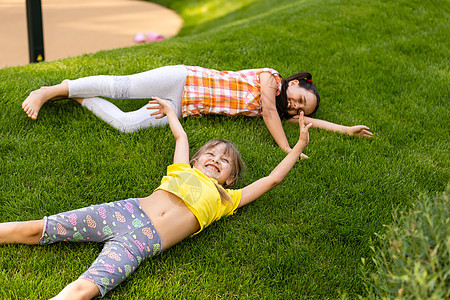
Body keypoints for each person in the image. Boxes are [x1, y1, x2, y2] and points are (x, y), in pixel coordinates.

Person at [4, 97, 312, 299]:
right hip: (122, 212)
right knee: (39, 228)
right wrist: (169, 111)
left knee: (87, 289)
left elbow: (271, 180)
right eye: (212, 153)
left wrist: (297, 146)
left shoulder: (225, 199)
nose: (217, 159)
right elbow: (181, 137)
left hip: (141, 244)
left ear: (229, 178)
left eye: (225, 161)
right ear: (196, 159)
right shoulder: (181, 168)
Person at [22, 65, 372, 154]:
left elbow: (313, 121)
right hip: (182, 79)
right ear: (295, 84)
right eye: (299, 99)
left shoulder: (283, 109)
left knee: (128, 125)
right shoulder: (271, 79)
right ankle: (48, 90)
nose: (296, 108)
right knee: (122, 86)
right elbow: (268, 111)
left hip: (183, 105)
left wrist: (347, 129)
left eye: (299, 110)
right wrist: (286, 148)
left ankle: (75, 96)